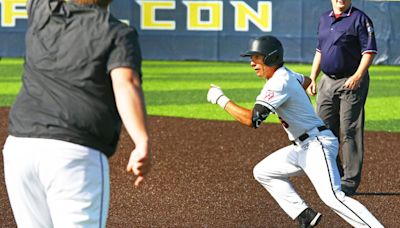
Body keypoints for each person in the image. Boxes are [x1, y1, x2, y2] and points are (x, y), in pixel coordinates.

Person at [2, 0, 151, 227]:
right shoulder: (117, 33)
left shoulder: (44, 10)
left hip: (20, 147)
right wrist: (141, 140)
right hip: (74, 154)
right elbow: (126, 84)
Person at [207, 35, 382, 227]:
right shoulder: (286, 74)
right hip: (302, 147)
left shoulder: (278, 83)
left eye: (256, 57)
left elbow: (253, 120)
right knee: (264, 171)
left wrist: (220, 99)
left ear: (270, 58)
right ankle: (304, 214)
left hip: (317, 145)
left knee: (333, 197)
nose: (252, 63)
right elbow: (306, 81)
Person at [308, 0, 377, 196]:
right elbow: (320, 51)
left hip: (351, 81)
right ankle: (332, 176)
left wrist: (358, 76)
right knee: (323, 130)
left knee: (349, 130)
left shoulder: (360, 19)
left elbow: (369, 51)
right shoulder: (324, 18)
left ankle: (349, 181)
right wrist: (313, 77)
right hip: (327, 81)